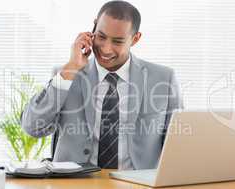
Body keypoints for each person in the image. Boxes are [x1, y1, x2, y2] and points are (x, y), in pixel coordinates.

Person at [21, 0, 183, 170]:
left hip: (138, 186)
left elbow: (178, 146)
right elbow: (32, 127)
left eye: (118, 41)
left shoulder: (164, 79)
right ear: (93, 28)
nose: (106, 49)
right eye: (101, 37)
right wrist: (70, 69)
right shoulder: (67, 74)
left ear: (135, 39)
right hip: (75, 186)